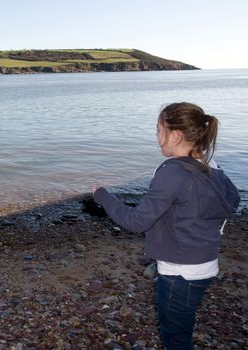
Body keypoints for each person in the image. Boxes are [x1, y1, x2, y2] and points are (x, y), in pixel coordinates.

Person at [91, 102, 240, 350]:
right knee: (183, 323)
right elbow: (232, 200)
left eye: (159, 129)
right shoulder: (212, 167)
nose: (157, 136)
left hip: (179, 271)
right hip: (205, 264)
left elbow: (137, 221)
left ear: (175, 135)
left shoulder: (172, 173)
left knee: (175, 335)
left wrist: (103, 196)